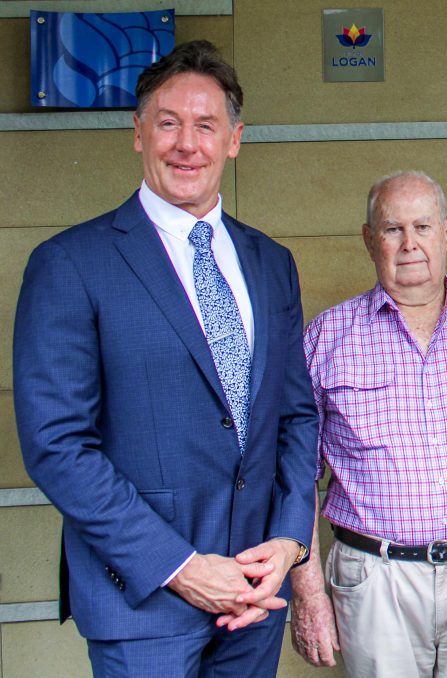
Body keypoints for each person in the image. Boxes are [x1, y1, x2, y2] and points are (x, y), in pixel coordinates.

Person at [13, 40, 317, 676]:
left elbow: (294, 416)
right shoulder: (71, 264)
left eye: (206, 126)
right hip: (142, 601)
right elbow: (57, 444)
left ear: (234, 139)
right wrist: (179, 567)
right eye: (168, 123)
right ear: (138, 133)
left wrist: (289, 543)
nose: (187, 144)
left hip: (255, 598)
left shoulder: (270, 263)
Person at [287, 171, 447, 677]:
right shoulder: (326, 337)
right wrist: (307, 591)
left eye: (422, 226)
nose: (409, 243)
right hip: (374, 578)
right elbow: (294, 476)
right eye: (393, 229)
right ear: (369, 239)